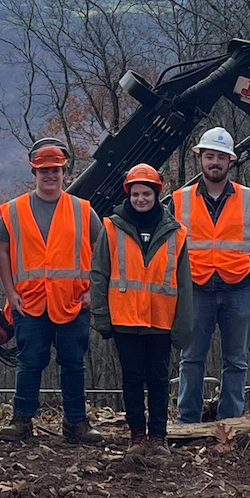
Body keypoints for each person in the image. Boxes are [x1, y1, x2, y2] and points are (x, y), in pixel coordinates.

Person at [170, 127, 250, 424]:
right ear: (200, 159)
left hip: (239, 289)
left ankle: (230, 420)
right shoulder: (179, 200)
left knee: (236, 360)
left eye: (220, 157)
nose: (214, 162)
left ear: (230, 161)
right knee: (191, 360)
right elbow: (167, 246)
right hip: (196, 289)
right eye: (209, 156)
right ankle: (187, 420)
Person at [0, 140, 100, 447]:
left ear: (64, 172)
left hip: (72, 302)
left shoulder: (83, 210)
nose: (50, 176)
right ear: (34, 172)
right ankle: (22, 421)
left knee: (73, 363)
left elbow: (103, 252)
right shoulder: (14, 210)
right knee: (30, 362)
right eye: (44, 171)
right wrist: (9, 292)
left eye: (55, 170)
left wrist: (93, 292)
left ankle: (77, 423)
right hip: (29, 302)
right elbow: (1, 251)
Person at [93, 164, 194, 455]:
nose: (140, 199)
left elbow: (184, 283)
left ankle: (159, 436)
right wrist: (102, 315)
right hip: (124, 319)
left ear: (156, 194)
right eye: (135, 193)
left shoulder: (176, 232)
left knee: (160, 380)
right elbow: (100, 273)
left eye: (146, 193)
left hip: (160, 320)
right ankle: (137, 435)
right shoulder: (111, 228)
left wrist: (183, 325)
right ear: (128, 194)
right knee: (132, 377)